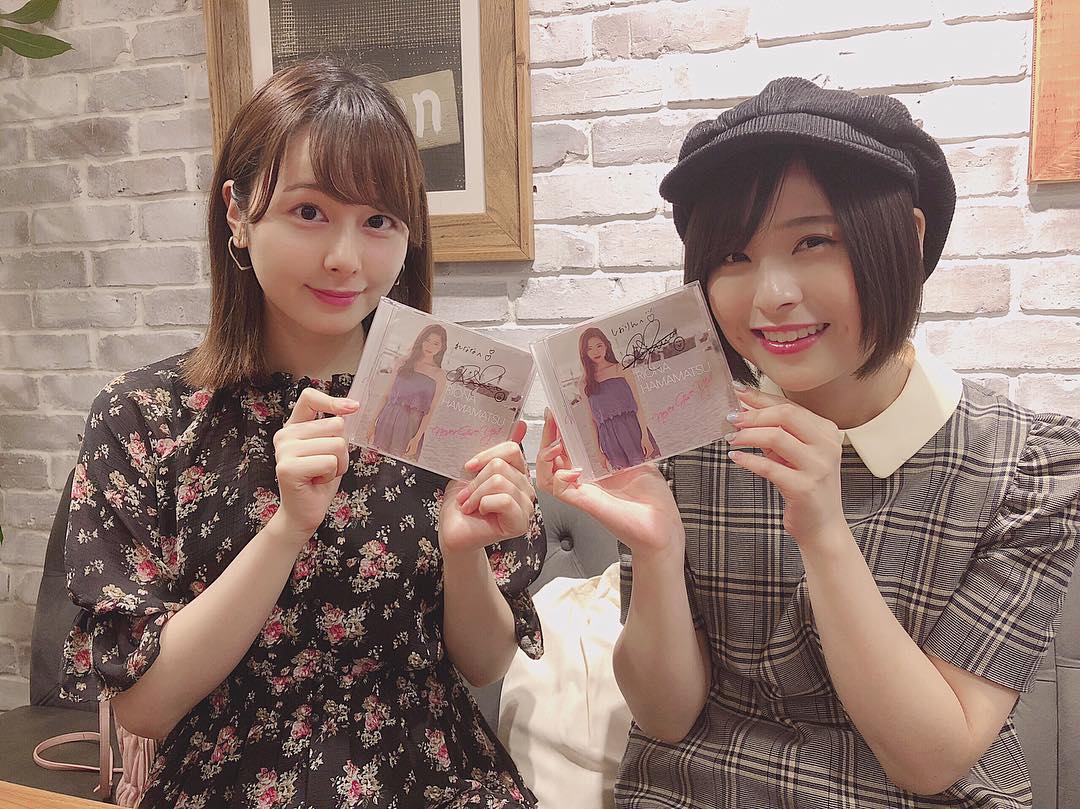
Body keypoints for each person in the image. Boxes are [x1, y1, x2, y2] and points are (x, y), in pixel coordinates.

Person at [536, 77, 1080, 808]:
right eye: (733, 256)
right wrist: (659, 553)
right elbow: (665, 718)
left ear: (910, 238)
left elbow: (930, 761)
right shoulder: (690, 432)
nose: (771, 295)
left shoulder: (1027, 470)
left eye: (814, 241)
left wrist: (824, 530)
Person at [61, 58, 545, 809]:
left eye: (378, 221)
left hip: (432, 777)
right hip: (228, 783)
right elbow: (145, 709)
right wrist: (286, 527)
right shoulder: (145, 415)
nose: (345, 259)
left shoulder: (450, 400)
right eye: (310, 211)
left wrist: (463, 551)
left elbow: (483, 665)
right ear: (237, 212)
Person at [577, 327, 657, 472]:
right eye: (589, 349)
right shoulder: (584, 383)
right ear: (584, 353)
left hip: (634, 431)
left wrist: (645, 436)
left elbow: (638, 406)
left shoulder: (621, 369)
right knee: (627, 482)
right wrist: (598, 452)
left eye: (599, 346)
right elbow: (592, 421)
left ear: (606, 345)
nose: (595, 352)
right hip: (610, 440)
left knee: (650, 474)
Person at [368, 324, 449, 460]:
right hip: (388, 418)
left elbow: (430, 411)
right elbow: (386, 395)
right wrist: (372, 422)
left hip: (412, 426)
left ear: (442, 347)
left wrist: (417, 438)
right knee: (375, 461)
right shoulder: (403, 362)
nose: (430, 346)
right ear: (421, 340)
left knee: (400, 465)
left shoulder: (439, 375)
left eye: (436, 343)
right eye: (427, 340)